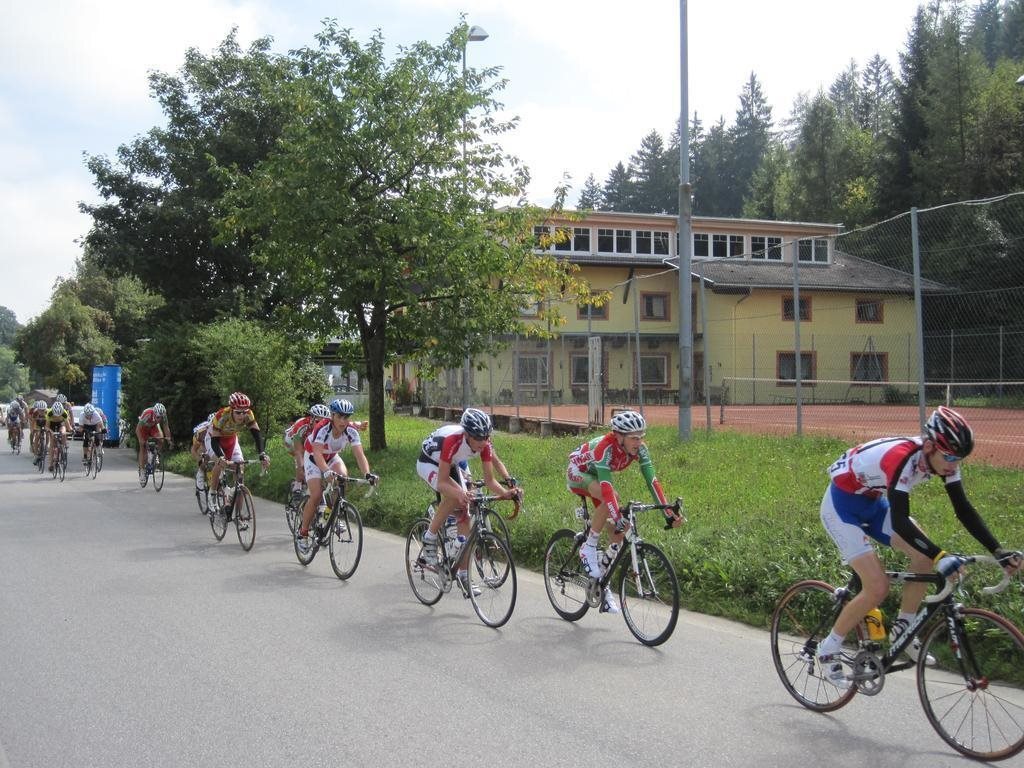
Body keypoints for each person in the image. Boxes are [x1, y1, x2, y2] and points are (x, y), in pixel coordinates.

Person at [816, 406, 1023, 689]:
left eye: (959, 459)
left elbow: (963, 509)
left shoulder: (942, 460)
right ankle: (828, 649)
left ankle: (903, 628)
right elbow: (901, 522)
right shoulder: (901, 458)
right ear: (929, 446)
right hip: (841, 508)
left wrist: (998, 551)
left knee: (923, 556)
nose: (953, 465)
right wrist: (940, 556)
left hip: (873, 504)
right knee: (877, 587)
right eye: (949, 457)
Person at [566, 410, 682, 613]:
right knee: (612, 499)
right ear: (619, 436)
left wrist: (668, 513)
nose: (639, 442)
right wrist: (617, 515)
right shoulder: (605, 447)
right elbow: (606, 487)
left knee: (619, 531)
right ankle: (588, 546)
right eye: (634, 438)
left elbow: (652, 482)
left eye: (641, 437)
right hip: (578, 472)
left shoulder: (641, 450)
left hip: (596, 476)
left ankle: (602, 584)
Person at [415, 408, 521, 596]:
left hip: (453, 462)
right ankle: (429, 536)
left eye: (486, 437)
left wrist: (506, 493)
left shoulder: (484, 444)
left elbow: (490, 480)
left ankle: (463, 575)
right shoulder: (452, 440)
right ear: (467, 434)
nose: (483, 442)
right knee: (455, 496)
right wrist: (460, 493)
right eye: (478, 438)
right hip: (429, 462)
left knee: (466, 509)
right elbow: (442, 482)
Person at [295, 398, 377, 554]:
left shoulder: (351, 430)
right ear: (332, 416)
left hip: (332, 457)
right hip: (313, 458)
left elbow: (360, 455)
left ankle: (330, 515)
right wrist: (326, 471)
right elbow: (317, 454)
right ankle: (303, 533)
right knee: (317, 494)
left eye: (346, 417)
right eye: (339, 416)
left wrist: (367, 474)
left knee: (342, 479)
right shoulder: (322, 428)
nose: (343, 421)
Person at [284, 404, 367, 503]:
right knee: (301, 463)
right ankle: (297, 486)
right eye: (317, 421)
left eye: (323, 420)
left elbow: (349, 423)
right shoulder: (301, 425)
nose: (321, 423)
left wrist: (360, 424)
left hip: (311, 443)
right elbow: (298, 451)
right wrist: (302, 467)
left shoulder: (325, 426)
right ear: (311, 419)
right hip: (292, 443)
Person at [206, 392, 270, 517]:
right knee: (220, 463)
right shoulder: (222, 415)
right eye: (238, 412)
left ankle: (238, 516)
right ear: (231, 410)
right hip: (213, 439)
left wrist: (262, 454)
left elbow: (257, 434)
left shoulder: (249, 414)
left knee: (240, 469)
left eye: (244, 412)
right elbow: (214, 441)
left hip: (231, 439)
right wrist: (221, 457)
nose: (242, 415)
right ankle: (212, 493)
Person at [136, 403, 173, 478]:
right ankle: (142, 471)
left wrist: (169, 440)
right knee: (142, 446)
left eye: (161, 418)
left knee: (161, 439)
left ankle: (156, 455)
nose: (159, 420)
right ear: (154, 414)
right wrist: (141, 439)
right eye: (158, 417)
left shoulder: (164, 416)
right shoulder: (147, 414)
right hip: (143, 428)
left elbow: (166, 427)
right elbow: (137, 429)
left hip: (153, 427)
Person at [42, 401, 71, 471]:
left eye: (59, 415)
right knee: (52, 443)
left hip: (60, 424)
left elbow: (68, 426)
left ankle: (63, 448)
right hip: (51, 425)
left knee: (63, 432)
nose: (57, 416)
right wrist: (51, 432)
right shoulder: (49, 413)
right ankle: (51, 464)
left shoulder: (64, 413)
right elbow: (47, 427)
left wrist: (71, 430)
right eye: (55, 415)